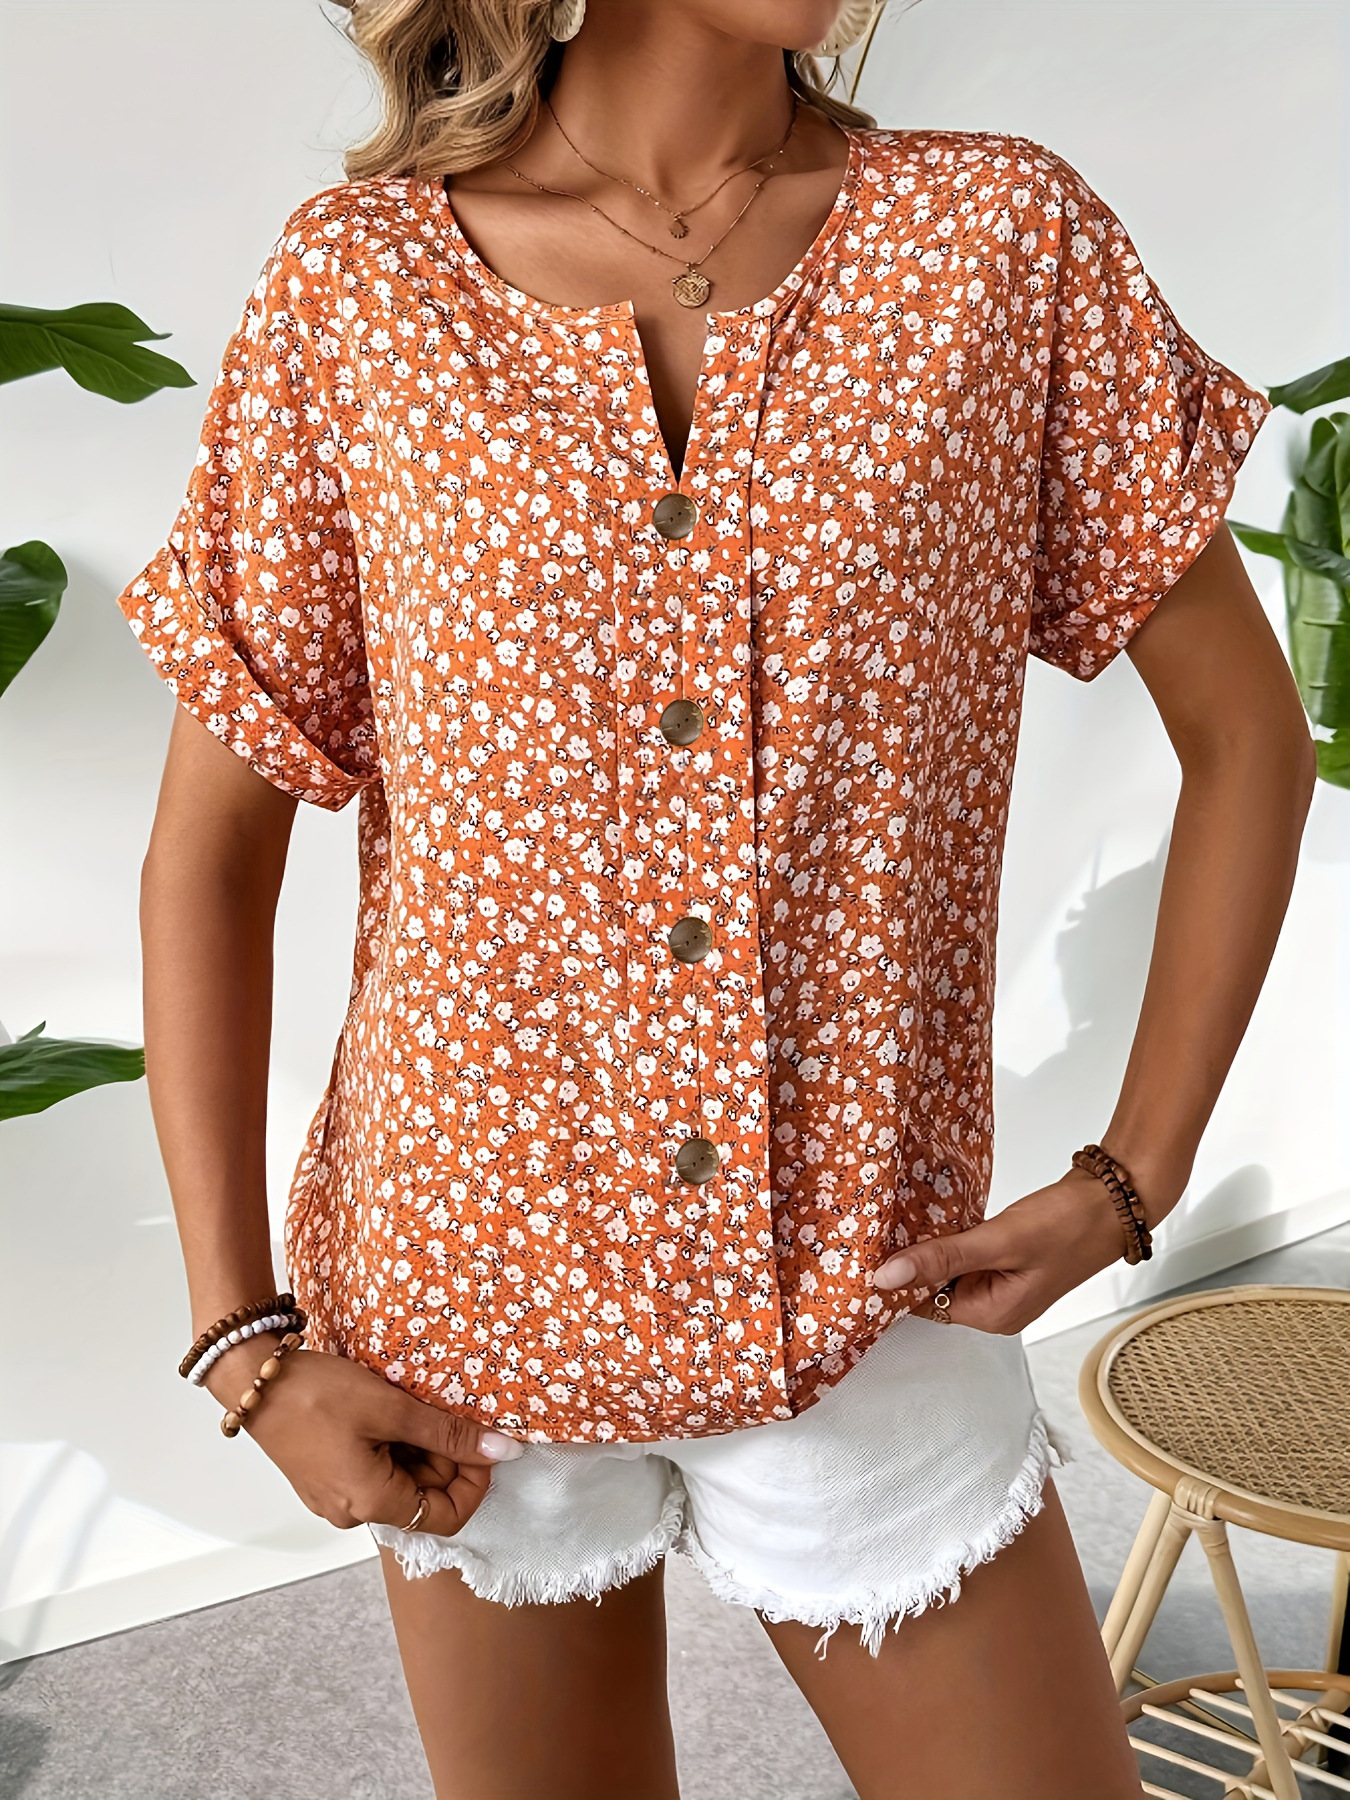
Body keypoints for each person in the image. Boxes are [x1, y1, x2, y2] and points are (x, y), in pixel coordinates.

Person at [118, 2, 1316, 1795]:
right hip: (462, 1309)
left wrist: (1127, 1179)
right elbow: (210, 852)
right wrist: (243, 1344)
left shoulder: (998, 243)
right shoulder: (355, 289)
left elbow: (1245, 739)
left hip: (874, 1290)